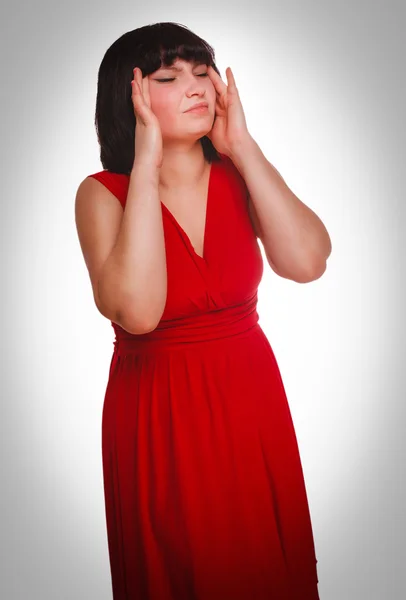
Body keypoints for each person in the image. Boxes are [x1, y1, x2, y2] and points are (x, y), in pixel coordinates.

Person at [75, 21, 329, 600]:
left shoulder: (239, 175)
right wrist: (146, 163)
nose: (196, 86)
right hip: (160, 413)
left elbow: (309, 261)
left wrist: (242, 146)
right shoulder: (102, 192)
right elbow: (137, 312)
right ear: (130, 96)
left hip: (250, 401)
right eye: (169, 76)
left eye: (202, 72)